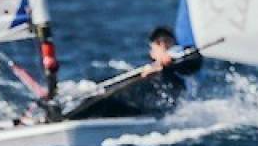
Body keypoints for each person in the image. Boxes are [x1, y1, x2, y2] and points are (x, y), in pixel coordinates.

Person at [62, 26, 202, 121]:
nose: (163, 45)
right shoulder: (144, 70)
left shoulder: (180, 63)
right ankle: (64, 115)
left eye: (167, 41)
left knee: (108, 103)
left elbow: (194, 59)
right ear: (152, 52)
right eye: (158, 43)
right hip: (137, 104)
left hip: (160, 107)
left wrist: (170, 61)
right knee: (100, 97)